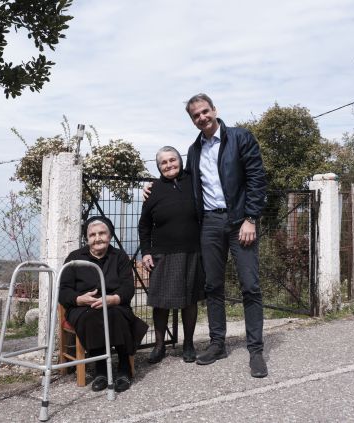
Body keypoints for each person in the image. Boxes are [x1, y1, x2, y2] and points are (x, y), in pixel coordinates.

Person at [184, 93, 268, 378]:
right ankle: (217, 344)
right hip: (209, 223)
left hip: (240, 222)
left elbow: (257, 178)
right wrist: (153, 188)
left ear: (214, 110)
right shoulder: (194, 150)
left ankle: (255, 350)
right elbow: (187, 184)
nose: (202, 117)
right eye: (196, 115)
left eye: (204, 111)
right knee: (213, 286)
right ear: (192, 120)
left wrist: (250, 218)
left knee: (250, 286)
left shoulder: (240, 138)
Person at [59, 216, 149, 392]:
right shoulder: (75, 258)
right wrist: (79, 299)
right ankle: (100, 370)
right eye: (92, 235)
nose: (97, 238)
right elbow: (63, 290)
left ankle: (124, 367)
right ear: (87, 238)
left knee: (116, 314)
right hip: (83, 307)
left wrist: (113, 299)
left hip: (114, 304)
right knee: (93, 316)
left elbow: (128, 287)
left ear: (110, 236)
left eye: (102, 233)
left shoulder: (119, 257)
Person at [138, 146, 204, 364]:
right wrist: (146, 252)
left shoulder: (194, 181)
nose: (169, 165)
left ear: (180, 161)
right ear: (158, 167)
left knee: (189, 301)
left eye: (172, 160)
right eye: (163, 162)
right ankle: (159, 346)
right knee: (161, 302)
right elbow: (144, 225)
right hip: (162, 254)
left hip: (192, 251)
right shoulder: (153, 190)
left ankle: (188, 344)